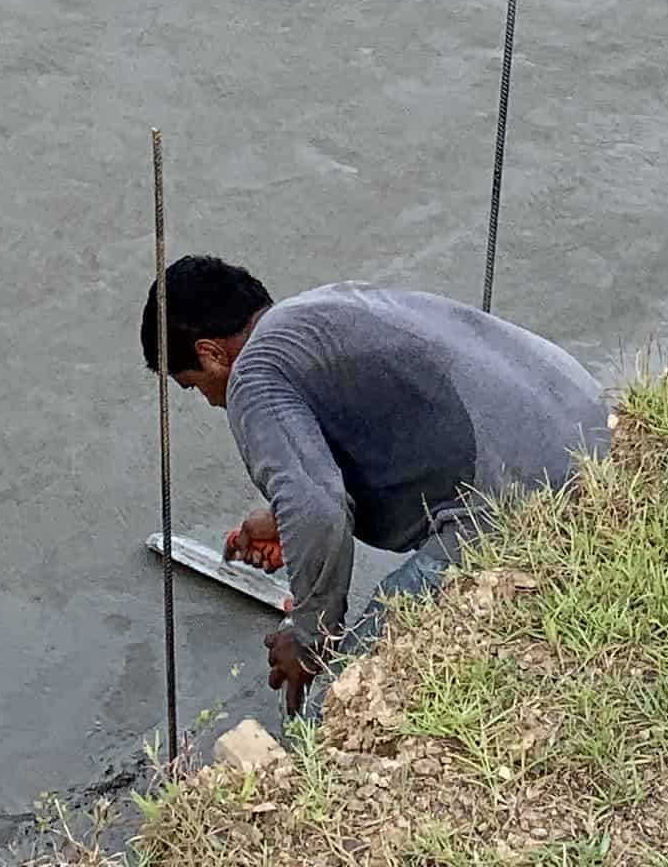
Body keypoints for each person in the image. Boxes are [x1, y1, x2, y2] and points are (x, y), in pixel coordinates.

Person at [142, 255, 608, 708]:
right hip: (592, 429)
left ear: (211, 354)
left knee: (347, 702)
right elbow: (372, 447)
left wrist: (308, 637)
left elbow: (318, 512)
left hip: (530, 496)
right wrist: (285, 521)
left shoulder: (252, 375)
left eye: (193, 385)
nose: (210, 401)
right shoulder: (324, 309)